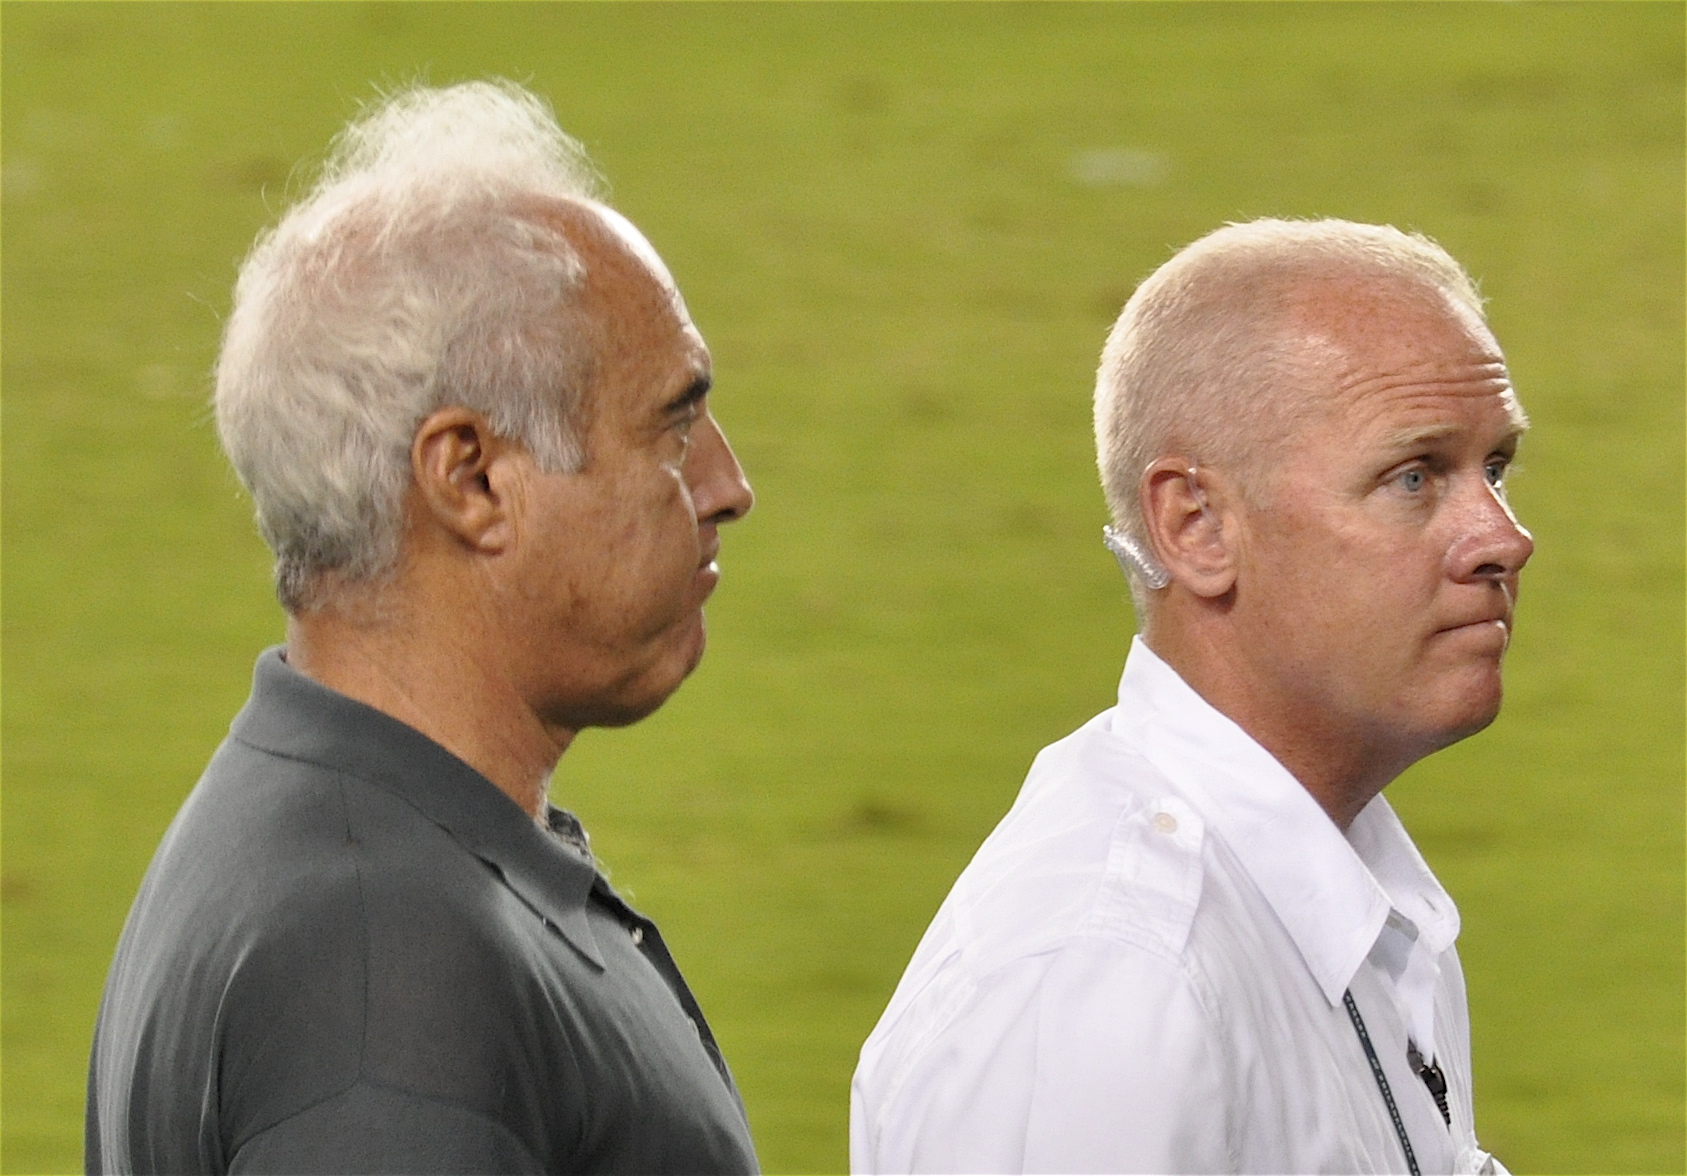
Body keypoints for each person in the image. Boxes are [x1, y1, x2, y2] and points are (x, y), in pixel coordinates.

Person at [86, 81, 758, 1175]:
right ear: (472, 479)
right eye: (673, 426)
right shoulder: (378, 970)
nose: (728, 485)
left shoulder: (361, 848)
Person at [851, 219, 1530, 1175]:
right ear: (1196, 526)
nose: (1501, 538)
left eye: (1493, 469)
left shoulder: (1352, 885)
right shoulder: (1109, 987)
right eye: (1412, 477)